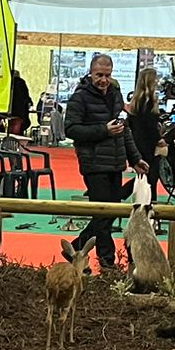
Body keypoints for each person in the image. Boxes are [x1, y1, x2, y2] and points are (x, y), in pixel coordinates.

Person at [63, 54, 141, 272]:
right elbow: (70, 130)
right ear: (91, 72)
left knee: (107, 214)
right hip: (93, 163)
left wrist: (135, 159)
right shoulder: (79, 98)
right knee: (104, 212)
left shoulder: (115, 95)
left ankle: (77, 248)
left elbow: (124, 130)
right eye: (99, 75)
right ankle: (107, 261)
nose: (103, 80)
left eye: (107, 75)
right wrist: (103, 130)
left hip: (116, 163)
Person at [126, 66, 167, 199]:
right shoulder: (149, 100)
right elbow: (150, 125)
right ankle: (150, 202)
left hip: (138, 141)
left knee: (143, 174)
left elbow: (131, 122)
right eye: (155, 79)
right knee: (152, 175)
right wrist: (159, 139)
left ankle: (133, 196)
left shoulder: (136, 100)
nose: (157, 81)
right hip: (148, 143)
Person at [8, 70, 33, 136]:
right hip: (20, 109)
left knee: (11, 124)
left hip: (9, 108)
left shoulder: (8, 83)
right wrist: (29, 102)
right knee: (17, 125)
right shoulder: (21, 82)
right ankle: (16, 139)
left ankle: (10, 138)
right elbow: (25, 95)